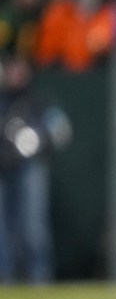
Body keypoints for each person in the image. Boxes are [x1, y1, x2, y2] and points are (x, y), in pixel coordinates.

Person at [0, 56, 72, 283]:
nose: (15, 74)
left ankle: (39, 278)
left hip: (30, 169)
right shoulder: (3, 103)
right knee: (3, 231)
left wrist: (38, 143)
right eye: (11, 69)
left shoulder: (40, 99)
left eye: (20, 69)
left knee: (33, 227)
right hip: (2, 169)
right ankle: (5, 279)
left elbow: (61, 132)